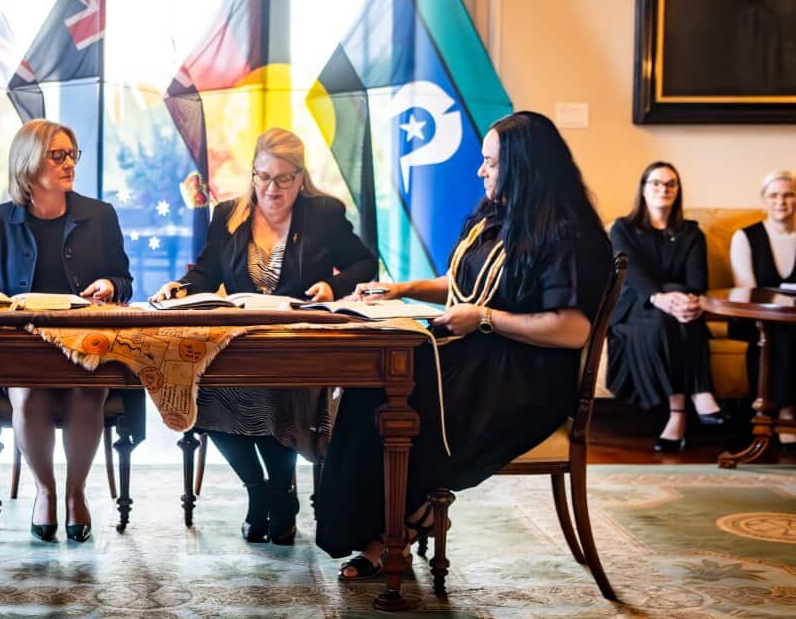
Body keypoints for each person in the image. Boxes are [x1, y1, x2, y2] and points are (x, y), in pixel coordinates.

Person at [316, 112, 612, 580]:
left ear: (522, 167)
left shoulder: (567, 235)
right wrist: (401, 289)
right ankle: (381, 524)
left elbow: (572, 329)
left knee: (397, 403)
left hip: (525, 378)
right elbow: (463, 283)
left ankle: (396, 529)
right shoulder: (499, 213)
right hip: (481, 353)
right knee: (371, 387)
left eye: (490, 163)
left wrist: (486, 320)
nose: (481, 171)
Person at [150, 127, 376, 545]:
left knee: (277, 393)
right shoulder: (229, 214)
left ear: (300, 177)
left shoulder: (323, 213)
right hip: (239, 341)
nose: (271, 189)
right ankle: (265, 493)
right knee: (201, 394)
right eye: (263, 177)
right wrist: (178, 289)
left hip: (297, 344)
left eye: (283, 179)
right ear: (252, 173)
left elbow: (365, 265)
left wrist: (332, 288)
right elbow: (207, 273)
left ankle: (278, 491)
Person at [0, 118, 137, 543]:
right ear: (29, 163)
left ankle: (75, 495)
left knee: (87, 392)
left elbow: (124, 280)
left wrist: (110, 285)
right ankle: (46, 493)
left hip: (84, 342)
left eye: (73, 154)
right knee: (29, 394)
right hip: (24, 344)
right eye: (58, 155)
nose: (70, 163)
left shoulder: (100, 215)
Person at [606, 162, 727, 454]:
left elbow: (697, 281)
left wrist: (688, 301)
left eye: (671, 184)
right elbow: (630, 275)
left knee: (683, 310)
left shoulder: (691, 233)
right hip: (633, 309)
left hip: (677, 309)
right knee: (670, 314)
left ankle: (679, 418)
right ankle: (696, 397)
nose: (664, 189)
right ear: (644, 189)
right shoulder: (623, 228)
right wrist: (659, 298)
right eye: (656, 183)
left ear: (678, 191)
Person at [729, 170, 796, 452]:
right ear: (763, 201)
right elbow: (748, 290)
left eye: (789, 195)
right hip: (757, 320)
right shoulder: (745, 237)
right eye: (774, 195)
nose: (781, 201)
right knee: (777, 332)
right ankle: (785, 412)